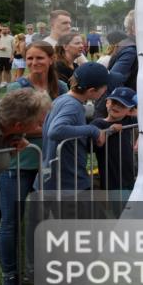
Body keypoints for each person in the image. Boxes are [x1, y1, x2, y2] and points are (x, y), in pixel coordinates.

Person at [0, 88, 53, 285]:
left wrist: (17, 145)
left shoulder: (11, 121)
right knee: (9, 222)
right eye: (38, 123)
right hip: (7, 175)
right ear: (19, 125)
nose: (40, 127)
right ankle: (10, 275)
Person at [43, 62, 111, 191]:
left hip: (54, 178)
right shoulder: (72, 106)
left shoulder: (62, 99)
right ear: (92, 91)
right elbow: (56, 130)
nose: (106, 90)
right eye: (104, 87)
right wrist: (93, 130)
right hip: (68, 182)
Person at [90, 87, 138, 201]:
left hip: (131, 177)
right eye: (114, 102)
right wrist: (109, 132)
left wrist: (133, 110)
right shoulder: (98, 123)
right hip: (113, 180)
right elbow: (92, 146)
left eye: (122, 105)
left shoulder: (128, 121)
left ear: (130, 110)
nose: (116, 106)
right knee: (122, 215)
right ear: (107, 102)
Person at [95, 11, 136, 118]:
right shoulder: (131, 49)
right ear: (133, 27)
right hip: (117, 113)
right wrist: (129, 102)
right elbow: (114, 78)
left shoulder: (129, 45)